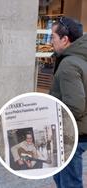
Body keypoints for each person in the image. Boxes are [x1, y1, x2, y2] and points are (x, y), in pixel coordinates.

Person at [49, 16, 87, 188]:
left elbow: (75, 107)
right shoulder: (81, 57)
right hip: (80, 130)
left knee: (69, 183)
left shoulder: (69, 65)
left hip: (72, 133)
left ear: (65, 40)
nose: (50, 42)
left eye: (53, 37)